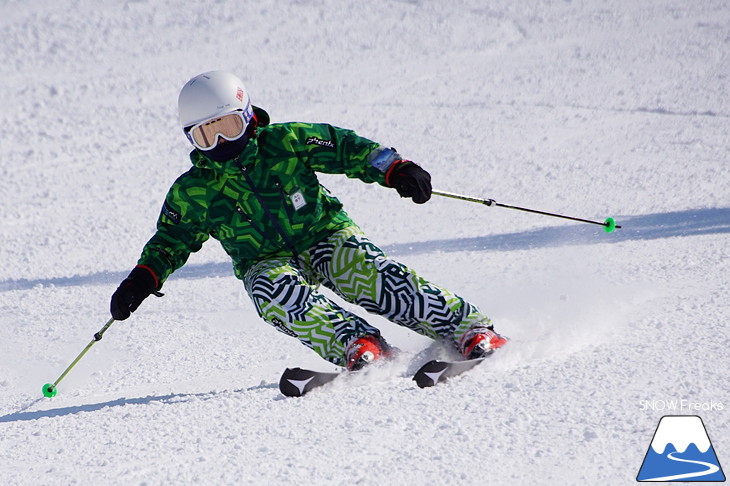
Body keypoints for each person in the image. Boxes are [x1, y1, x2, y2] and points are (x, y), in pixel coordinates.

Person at [110, 70, 507, 371]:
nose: (221, 145)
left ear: (247, 116)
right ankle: (359, 345)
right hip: (264, 259)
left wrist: (394, 168)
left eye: (227, 128)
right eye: (205, 137)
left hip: (324, 233)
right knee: (272, 293)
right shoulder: (194, 190)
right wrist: (142, 278)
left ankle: (467, 328)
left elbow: (346, 148)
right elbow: (170, 241)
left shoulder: (286, 142)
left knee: (368, 272)